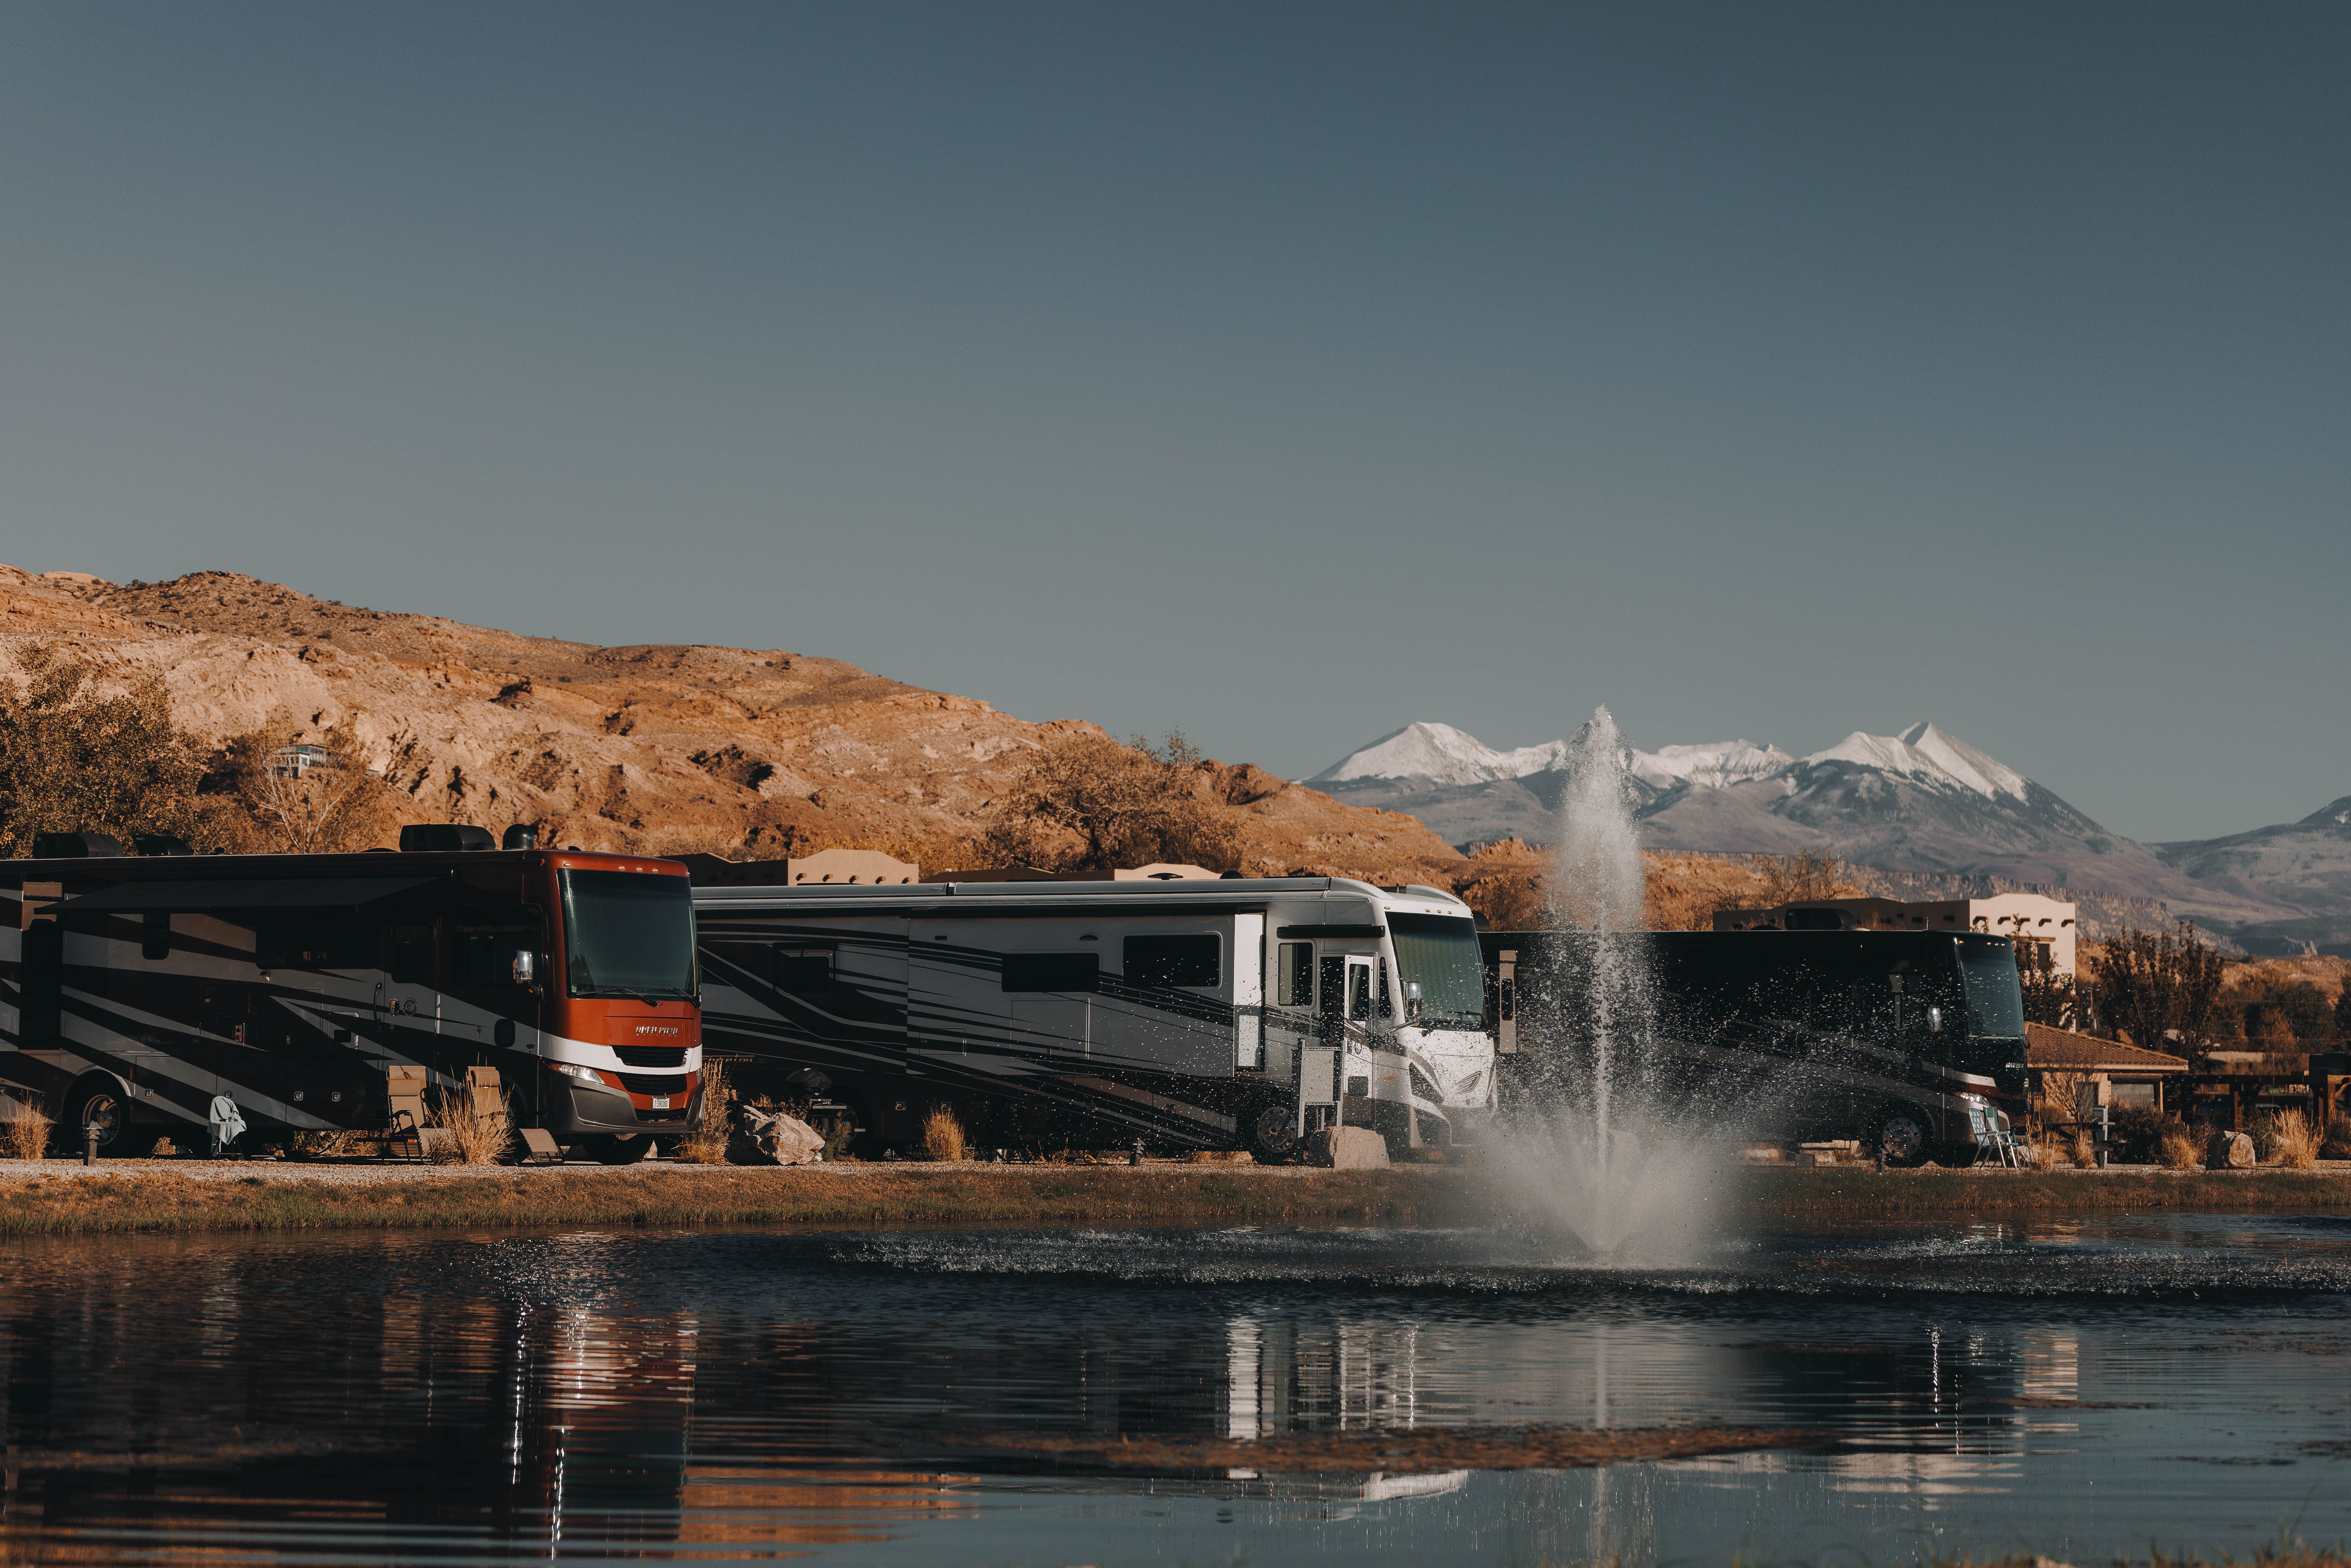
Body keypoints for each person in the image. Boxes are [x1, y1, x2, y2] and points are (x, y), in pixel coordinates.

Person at [208, 1091, 247, 1159]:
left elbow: (235, 1114)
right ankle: (218, 1154)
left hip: (226, 1121)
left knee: (233, 1124)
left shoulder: (229, 1103)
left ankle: (217, 1154)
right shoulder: (217, 1101)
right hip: (218, 1122)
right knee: (224, 1126)